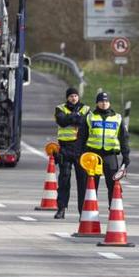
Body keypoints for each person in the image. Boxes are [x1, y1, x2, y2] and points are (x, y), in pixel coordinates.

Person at [77, 91, 130, 205]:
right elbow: (81, 137)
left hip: (110, 155)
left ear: (109, 103)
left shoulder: (117, 118)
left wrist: (126, 156)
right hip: (93, 156)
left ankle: (114, 211)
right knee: (90, 185)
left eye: (106, 101)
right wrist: (80, 154)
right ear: (97, 103)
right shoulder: (90, 117)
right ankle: (87, 213)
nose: (104, 103)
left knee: (113, 185)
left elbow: (124, 138)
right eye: (101, 101)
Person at [53, 87, 90, 219]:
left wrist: (72, 118)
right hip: (65, 148)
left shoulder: (86, 109)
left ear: (78, 97)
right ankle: (61, 209)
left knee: (83, 181)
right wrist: (76, 117)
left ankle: (82, 211)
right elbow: (62, 122)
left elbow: (84, 123)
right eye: (71, 96)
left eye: (75, 96)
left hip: (81, 148)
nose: (73, 98)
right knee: (64, 179)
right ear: (67, 97)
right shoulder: (60, 108)